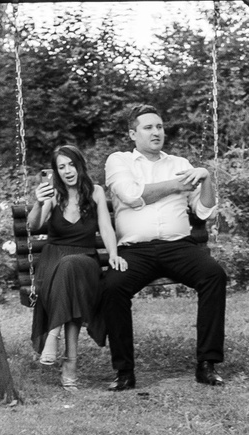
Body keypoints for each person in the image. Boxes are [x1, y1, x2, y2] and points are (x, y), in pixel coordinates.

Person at [101, 106, 230, 391]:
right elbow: (133, 196)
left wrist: (206, 177)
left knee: (213, 275)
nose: (156, 132)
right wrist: (177, 184)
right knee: (113, 287)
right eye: (148, 127)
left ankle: (206, 364)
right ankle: (125, 371)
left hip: (178, 247)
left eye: (159, 126)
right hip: (136, 251)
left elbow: (205, 210)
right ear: (132, 133)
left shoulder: (179, 162)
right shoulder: (119, 161)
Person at [26, 144, 118, 390]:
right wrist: (38, 202)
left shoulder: (95, 192)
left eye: (71, 165)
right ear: (56, 171)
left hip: (86, 259)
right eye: (61, 167)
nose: (68, 171)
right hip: (54, 261)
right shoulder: (55, 195)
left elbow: (106, 227)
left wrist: (113, 254)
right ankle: (70, 366)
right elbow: (34, 226)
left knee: (71, 269)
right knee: (68, 279)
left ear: (80, 165)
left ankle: (52, 337)